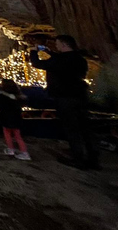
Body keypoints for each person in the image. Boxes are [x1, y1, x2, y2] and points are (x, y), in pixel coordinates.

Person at [30, 35, 99, 170]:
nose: (57, 47)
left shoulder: (61, 60)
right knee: (85, 129)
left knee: (72, 129)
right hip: (81, 96)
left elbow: (37, 63)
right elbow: (63, 61)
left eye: (58, 44)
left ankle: (78, 159)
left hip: (65, 98)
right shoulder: (80, 60)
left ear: (64, 44)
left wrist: (33, 51)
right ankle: (93, 160)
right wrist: (50, 53)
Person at [0, 78, 30, 160]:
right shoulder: (18, 97)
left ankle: (11, 149)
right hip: (16, 119)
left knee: (7, 134)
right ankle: (24, 151)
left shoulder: (3, 96)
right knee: (18, 136)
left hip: (6, 118)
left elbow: (1, 106)